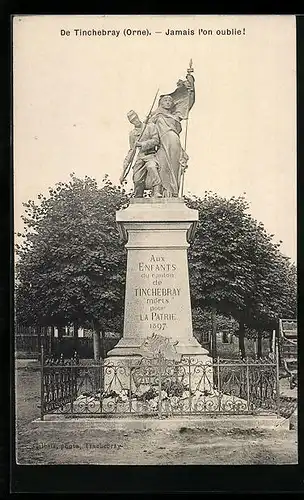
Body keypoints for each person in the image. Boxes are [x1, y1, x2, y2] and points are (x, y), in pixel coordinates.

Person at [149, 72, 195, 197]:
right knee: (161, 164)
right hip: (162, 142)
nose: (169, 102)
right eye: (166, 100)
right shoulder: (155, 115)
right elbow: (146, 129)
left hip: (174, 141)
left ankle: (172, 193)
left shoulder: (176, 115)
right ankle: (160, 191)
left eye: (170, 100)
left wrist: (191, 84)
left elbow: (189, 103)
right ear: (161, 103)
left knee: (174, 166)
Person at [120, 110, 162, 198]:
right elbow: (131, 151)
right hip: (141, 157)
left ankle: (157, 191)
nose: (135, 120)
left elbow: (156, 140)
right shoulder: (132, 134)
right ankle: (138, 196)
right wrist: (123, 171)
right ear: (131, 122)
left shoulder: (150, 127)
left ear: (137, 116)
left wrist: (142, 144)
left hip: (151, 154)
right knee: (137, 178)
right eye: (132, 120)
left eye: (135, 118)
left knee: (152, 167)